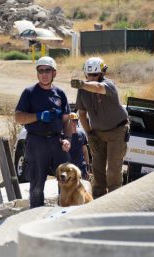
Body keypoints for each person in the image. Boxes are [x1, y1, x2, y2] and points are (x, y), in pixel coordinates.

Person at [14, 56, 71, 208]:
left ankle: (63, 213)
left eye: (47, 70)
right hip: (36, 142)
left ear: (54, 73)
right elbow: (18, 117)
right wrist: (38, 116)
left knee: (65, 181)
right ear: (37, 73)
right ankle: (36, 215)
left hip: (57, 142)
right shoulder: (29, 92)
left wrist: (68, 139)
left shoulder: (60, 94)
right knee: (37, 183)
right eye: (41, 70)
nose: (44, 74)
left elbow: (66, 120)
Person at [70, 57, 129, 198]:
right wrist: (89, 134)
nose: (91, 78)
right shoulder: (83, 90)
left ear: (102, 73)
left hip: (117, 131)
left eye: (94, 75)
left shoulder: (108, 85)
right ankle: (97, 200)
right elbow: (82, 114)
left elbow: (98, 88)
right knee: (97, 170)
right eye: (89, 75)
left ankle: (114, 201)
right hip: (97, 133)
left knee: (113, 171)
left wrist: (83, 84)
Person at [68, 112, 90, 180]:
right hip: (68, 168)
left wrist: (87, 165)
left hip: (81, 167)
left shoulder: (81, 134)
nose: (74, 122)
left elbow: (85, 151)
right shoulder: (63, 135)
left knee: (82, 188)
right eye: (72, 121)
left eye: (75, 120)